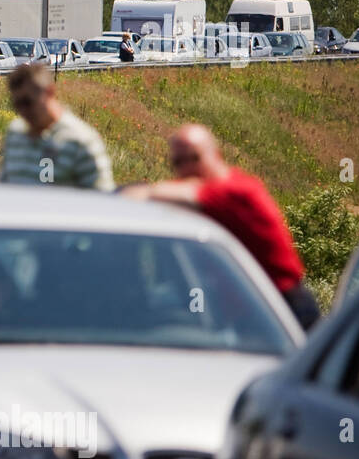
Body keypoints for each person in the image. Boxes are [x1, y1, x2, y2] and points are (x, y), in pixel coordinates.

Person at [121, 123, 320, 329]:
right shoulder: (205, 192)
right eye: (178, 162)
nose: (187, 167)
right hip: (248, 309)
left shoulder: (237, 191)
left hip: (285, 307)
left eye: (195, 158)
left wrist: (122, 196)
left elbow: (155, 194)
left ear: (216, 154)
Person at [0, 62, 115, 190]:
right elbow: (4, 190)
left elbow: (102, 201)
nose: (23, 111)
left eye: (28, 102)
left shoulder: (80, 141)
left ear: (49, 92)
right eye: (17, 104)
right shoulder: (15, 134)